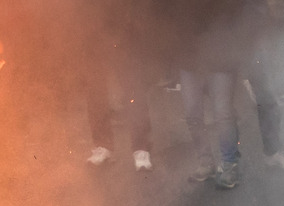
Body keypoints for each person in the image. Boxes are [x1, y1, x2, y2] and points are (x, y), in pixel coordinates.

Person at [172, 0, 266, 190]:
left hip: (222, 55)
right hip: (190, 56)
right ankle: (205, 162)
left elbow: (247, 11)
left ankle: (230, 164)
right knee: (192, 114)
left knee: (222, 113)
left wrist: (237, 42)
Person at [78, 0, 155, 172]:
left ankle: (141, 147)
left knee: (133, 87)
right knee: (95, 90)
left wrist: (135, 21)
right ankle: (102, 145)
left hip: (125, 28)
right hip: (94, 29)